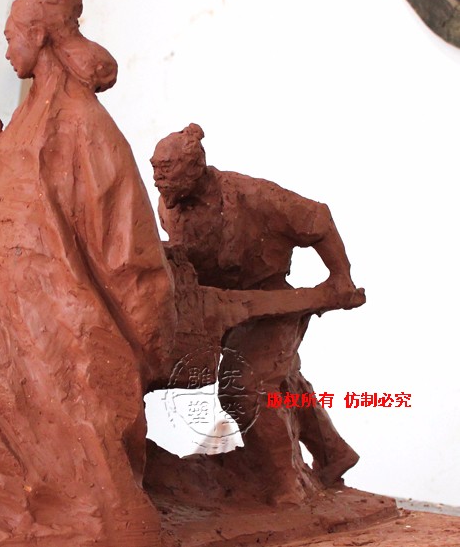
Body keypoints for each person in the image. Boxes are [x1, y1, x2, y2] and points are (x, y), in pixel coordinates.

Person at [0, 0, 177, 547]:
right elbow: (1, 221)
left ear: (39, 35)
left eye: (11, 37)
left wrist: (146, 331)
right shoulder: (25, 119)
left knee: (81, 433)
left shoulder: (83, 123)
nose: (6, 51)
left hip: (60, 319)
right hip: (4, 315)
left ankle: (101, 523)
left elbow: (123, 239)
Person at [150, 123, 362, 502]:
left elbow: (317, 218)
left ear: (195, 167)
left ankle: (285, 485)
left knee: (244, 386)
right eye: (155, 171)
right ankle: (334, 453)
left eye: (166, 172)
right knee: (281, 380)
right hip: (221, 308)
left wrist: (340, 278)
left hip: (271, 302)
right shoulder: (170, 206)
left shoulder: (252, 195)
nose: (157, 182)